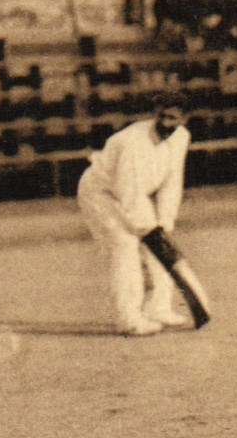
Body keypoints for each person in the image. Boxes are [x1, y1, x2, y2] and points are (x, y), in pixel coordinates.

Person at [75, 91, 194, 335]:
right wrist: (149, 230)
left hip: (134, 194)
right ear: (154, 113)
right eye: (162, 116)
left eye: (173, 118)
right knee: (125, 245)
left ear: (185, 119)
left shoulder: (182, 137)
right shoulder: (133, 142)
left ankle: (158, 308)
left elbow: (172, 182)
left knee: (160, 242)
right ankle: (128, 318)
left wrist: (165, 221)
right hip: (101, 194)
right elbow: (129, 194)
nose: (165, 123)